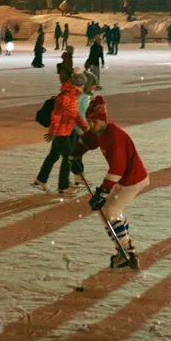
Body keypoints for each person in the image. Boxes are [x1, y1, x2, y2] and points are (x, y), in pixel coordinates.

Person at [71, 95, 150, 269]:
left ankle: (128, 251)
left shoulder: (113, 137)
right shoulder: (99, 131)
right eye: (89, 121)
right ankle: (124, 246)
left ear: (102, 120)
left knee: (110, 211)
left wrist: (103, 191)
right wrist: (76, 154)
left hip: (133, 179)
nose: (91, 126)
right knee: (107, 211)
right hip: (126, 178)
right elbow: (87, 141)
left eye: (94, 122)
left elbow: (117, 168)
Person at [32, 71, 88, 195]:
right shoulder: (65, 97)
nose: (84, 87)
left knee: (53, 155)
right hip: (61, 133)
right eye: (83, 84)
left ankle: (41, 179)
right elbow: (56, 115)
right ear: (79, 85)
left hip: (65, 131)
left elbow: (75, 114)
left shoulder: (73, 96)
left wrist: (85, 127)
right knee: (68, 158)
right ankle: (63, 186)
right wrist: (53, 132)